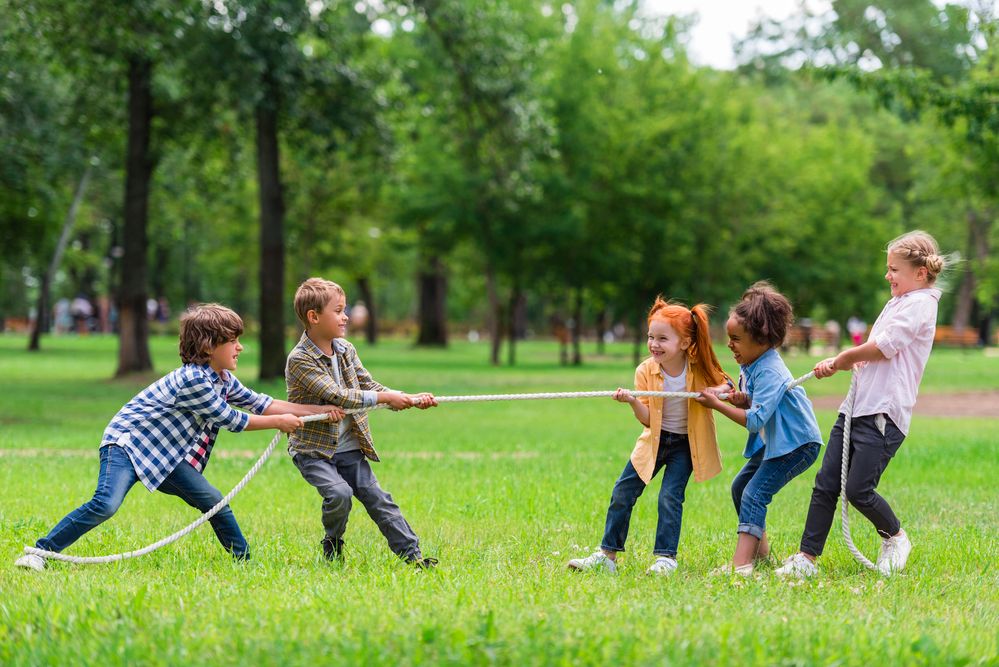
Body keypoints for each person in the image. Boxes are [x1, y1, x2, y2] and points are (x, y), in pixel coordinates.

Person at [14, 303, 344, 571]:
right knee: (105, 504)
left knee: (214, 502)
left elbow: (264, 403)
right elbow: (232, 419)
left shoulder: (222, 377)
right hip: (127, 445)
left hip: (164, 456)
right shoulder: (195, 381)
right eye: (233, 341)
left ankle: (245, 564)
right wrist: (279, 423)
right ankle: (41, 552)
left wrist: (316, 409)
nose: (240, 347)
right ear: (208, 346)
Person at [776, 231, 946, 578]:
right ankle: (806, 560)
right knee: (826, 483)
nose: (888, 276)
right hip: (856, 408)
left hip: (884, 413)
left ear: (920, 273)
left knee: (857, 489)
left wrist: (843, 357)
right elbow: (878, 352)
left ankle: (895, 537)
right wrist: (853, 361)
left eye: (894, 269)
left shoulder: (922, 304)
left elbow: (887, 345)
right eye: (888, 268)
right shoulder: (899, 301)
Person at [567, 298, 733, 575]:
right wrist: (632, 401)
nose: (654, 344)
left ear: (683, 343)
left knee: (670, 496)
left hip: (685, 445)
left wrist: (716, 393)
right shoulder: (645, 370)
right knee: (623, 492)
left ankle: (665, 558)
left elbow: (726, 382)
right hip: (654, 442)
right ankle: (607, 556)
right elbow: (647, 420)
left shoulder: (698, 366)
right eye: (650, 337)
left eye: (662, 338)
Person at [285, 278, 439, 568]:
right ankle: (333, 541)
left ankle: (414, 557)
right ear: (314, 317)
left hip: (350, 448)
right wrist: (387, 397)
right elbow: (337, 395)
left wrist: (407, 398)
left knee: (379, 499)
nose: (346, 316)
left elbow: (368, 385)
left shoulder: (346, 350)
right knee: (339, 493)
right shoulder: (300, 359)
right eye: (339, 310)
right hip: (314, 451)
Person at [695, 282, 822, 577]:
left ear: (762, 340)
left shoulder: (769, 369)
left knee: (754, 493)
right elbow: (760, 401)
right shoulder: (753, 362)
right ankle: (761, 556)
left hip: (797, 444)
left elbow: (754, 420)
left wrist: (718, 405)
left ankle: (741, 565)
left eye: (736, 339)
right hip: (776, 441)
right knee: (741, 487)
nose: (729, 345)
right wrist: (742, 398)